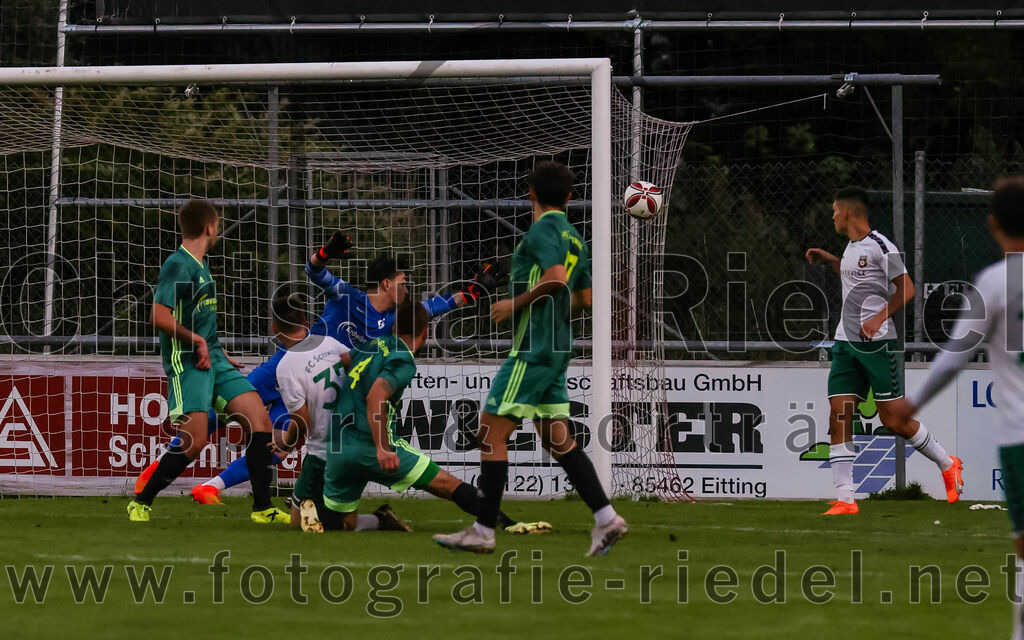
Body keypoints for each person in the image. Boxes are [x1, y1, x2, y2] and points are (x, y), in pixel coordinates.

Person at [433, 160, 627, 556]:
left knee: (490, 431)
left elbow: (554, 277)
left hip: (534, 349)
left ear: (530, 193)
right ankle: (607, 519)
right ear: (571, 197)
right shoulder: (576, 236)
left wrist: (514, 304)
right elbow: (586, 299)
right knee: (557, 439)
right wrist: (550, 310)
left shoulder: (542, 228)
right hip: (557, 348)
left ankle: (483, 530)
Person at [892, 177, 1024, 638]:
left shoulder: (993, 282)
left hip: (1018, 436)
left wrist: (912, 403)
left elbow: (953, 357)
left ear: (991, 224)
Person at [314, 300, 548, 535]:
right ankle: (507, 524)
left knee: (344, 526)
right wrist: (383, 448)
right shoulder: (402, 359)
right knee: (447, 484)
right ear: (426, 333)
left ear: (394, 328)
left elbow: (344, 362)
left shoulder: (372, 345)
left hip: (339, 448)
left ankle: (377, 519)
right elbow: (376, 396)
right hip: (369, 446)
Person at [127, 198, 288, 524]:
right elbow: (158, 314)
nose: (218, 230)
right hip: (188, 361)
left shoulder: (200, 265)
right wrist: (197, 341)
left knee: (260, 423)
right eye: (217, 225)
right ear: (209, 227)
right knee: (195, 440)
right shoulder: (179, 265)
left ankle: (263, 509)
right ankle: (142, 501)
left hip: (212, 356)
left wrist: (215, 347)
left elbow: (199, 320)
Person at [805, 186, 963, 515]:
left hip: (878, 347)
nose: (832, 216)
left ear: (847, 212)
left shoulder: (881, 245)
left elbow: (907, 288)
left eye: (835, 210)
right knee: (839, 415)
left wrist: (880, 317)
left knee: (892, 420)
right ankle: (846, 498)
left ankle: (948, 463)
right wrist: (830, 259)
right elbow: (852, 277)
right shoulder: (850, 248)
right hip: (846, 343)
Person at [269, 292, 410, 532]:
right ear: (305, 321)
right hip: (354, 439)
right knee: (317, 515)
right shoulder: (329, 343)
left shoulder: (286, 366)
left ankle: (378, 520)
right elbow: (357, 365)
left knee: (305, 525)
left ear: (274, 328)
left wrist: (285, 441)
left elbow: (301, 422)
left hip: (325, 452)